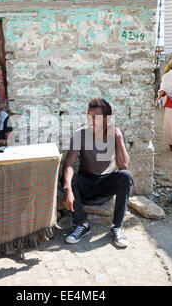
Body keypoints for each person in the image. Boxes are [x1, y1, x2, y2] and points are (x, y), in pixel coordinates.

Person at [62, 98, 133, 248]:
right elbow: (68, 163)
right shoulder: (80, 134)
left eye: (95, 118)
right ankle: (82, 224)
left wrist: (119, 138)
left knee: (126, 176)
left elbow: (124, 166)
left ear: (107, 119)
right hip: (86, 182)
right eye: (89, 117)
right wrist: (67, 189)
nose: (91, 121)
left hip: (107, 182)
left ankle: (116, 227)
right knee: (69, 178)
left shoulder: (115, 135)